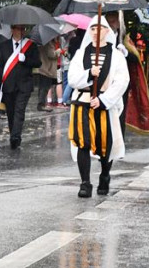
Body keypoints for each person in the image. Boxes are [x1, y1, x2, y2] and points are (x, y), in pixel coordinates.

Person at [67, 15, 130, 198]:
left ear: (107, 31)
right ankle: (85, 183)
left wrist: (104, 100)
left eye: (100, 28)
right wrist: (89, 73)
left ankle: (105, 174)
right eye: (93, 28)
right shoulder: (81, 53)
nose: (96, 32)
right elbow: (72, 78)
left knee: (105, 143)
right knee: (83, 142)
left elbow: (122, 81)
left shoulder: (116, 56)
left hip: (104, 104)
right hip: (83, 102)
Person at [0, 24, 42, 149]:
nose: (21, 31)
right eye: (18, 29)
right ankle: (13, 134)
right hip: (8, 85)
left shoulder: (30, 45)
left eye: (23, 29)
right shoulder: (3, 46)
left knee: (20, 111)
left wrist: (26, 60)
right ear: (12, 30)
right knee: (11, 112)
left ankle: (15, 137)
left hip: (24, 85)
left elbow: (38, 62)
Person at [34, 38, 60, 111]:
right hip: (47, 69)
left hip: (43, 68)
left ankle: (41, 104)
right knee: (44, 87)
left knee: (43, 87)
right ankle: (41, 105)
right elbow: (51, 54)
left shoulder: (42, 42)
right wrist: (58, 51)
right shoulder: (48, 43)